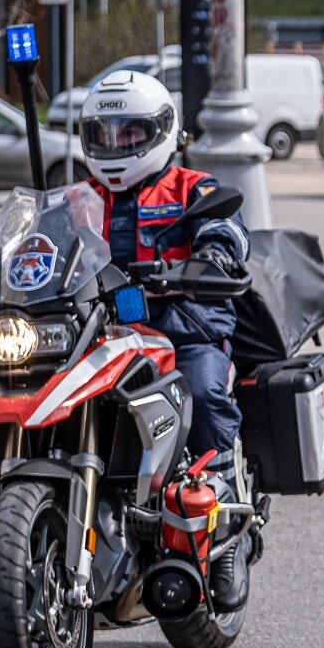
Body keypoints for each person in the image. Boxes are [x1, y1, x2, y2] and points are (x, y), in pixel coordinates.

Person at [78, 69, 251, 603]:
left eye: (130, 132)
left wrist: (215, 253)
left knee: (201, 393)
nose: (116, 145)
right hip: (97, 338)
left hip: (183, 334)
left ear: (161, 131)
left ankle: (223, 531)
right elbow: (36, 241)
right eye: (103, 134)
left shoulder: (192, 189)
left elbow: (226, 228)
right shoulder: (75, 197)